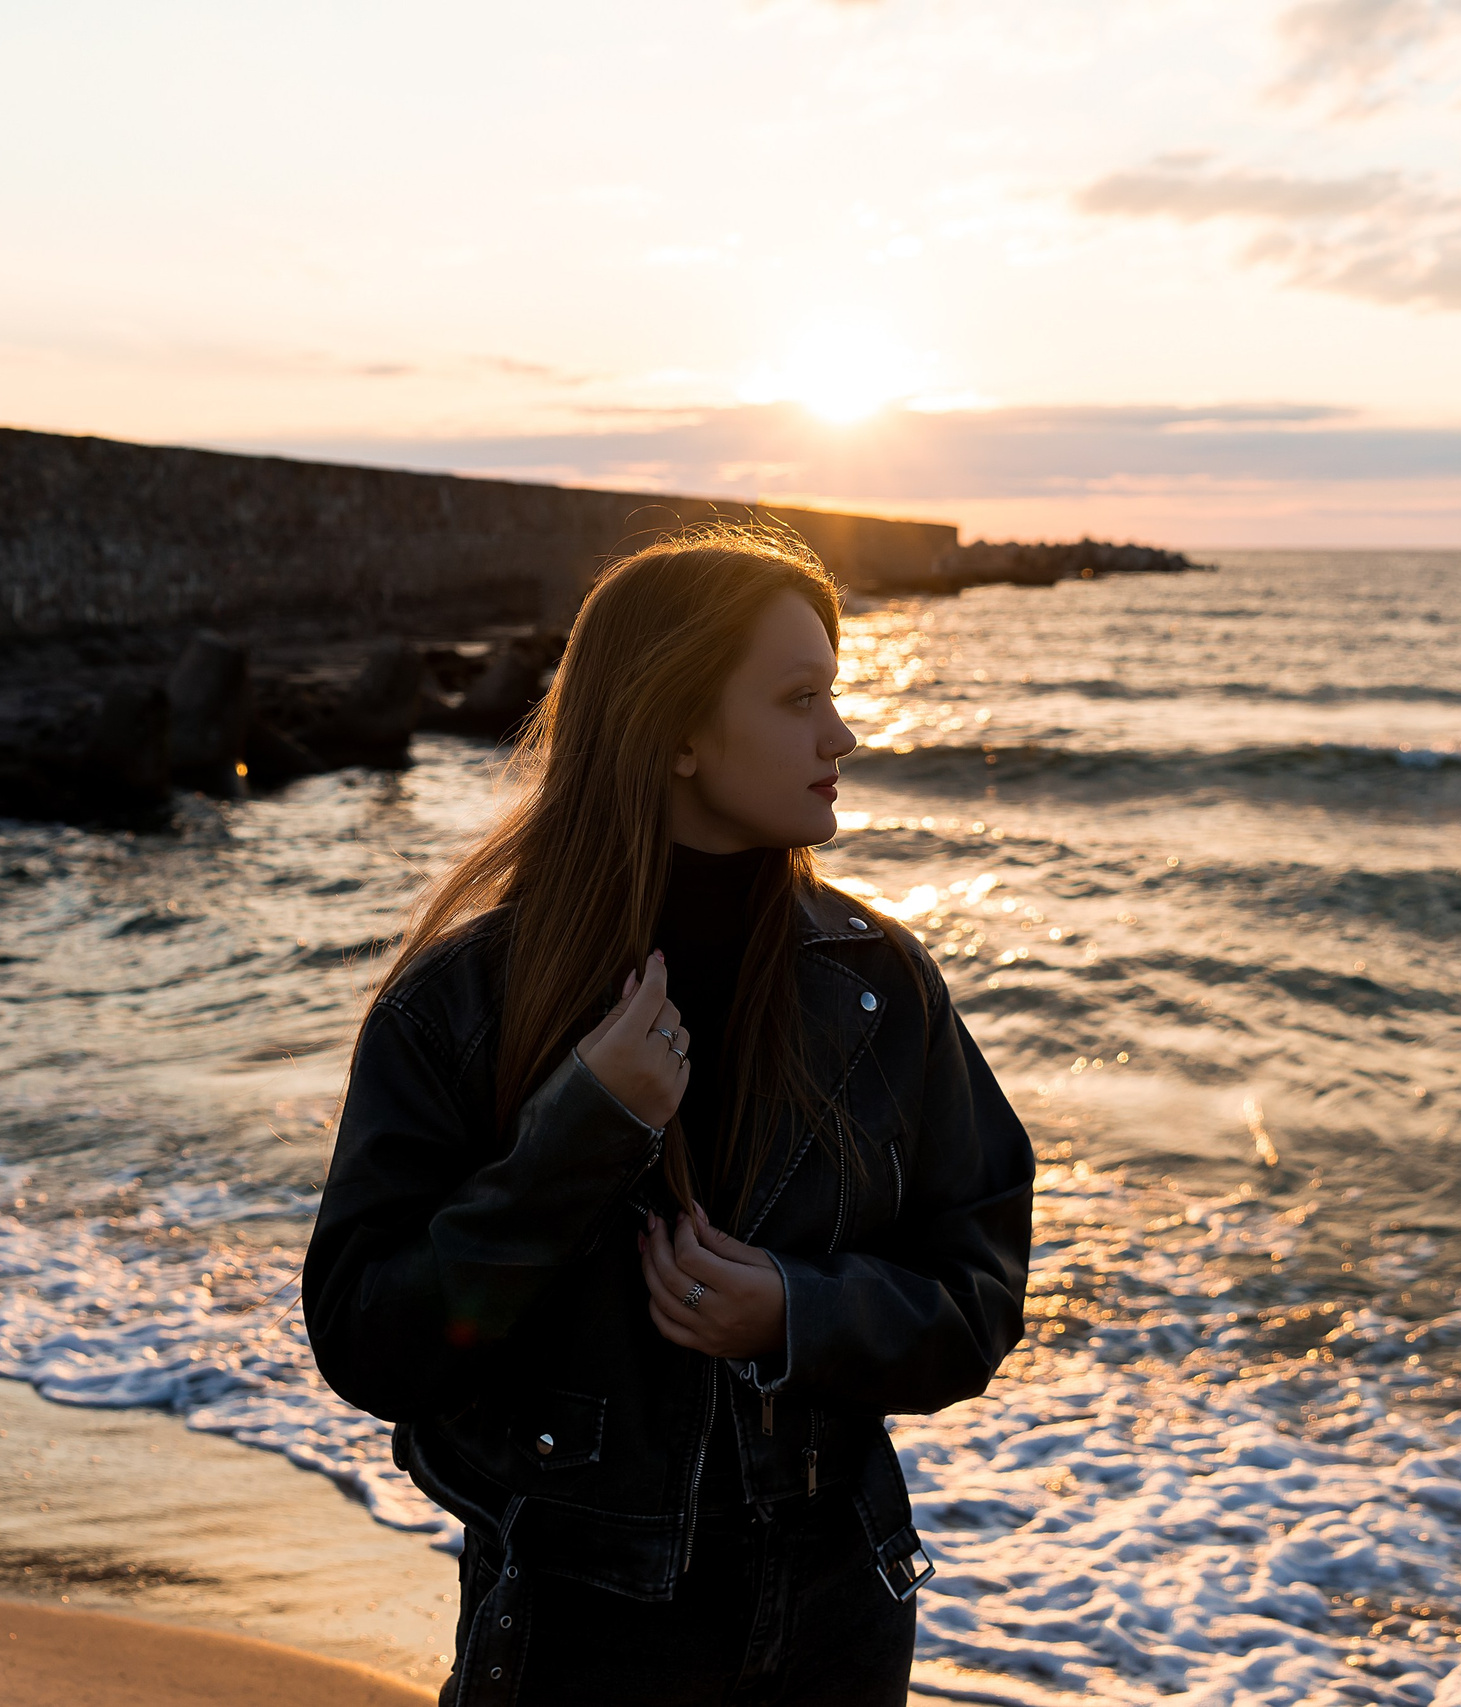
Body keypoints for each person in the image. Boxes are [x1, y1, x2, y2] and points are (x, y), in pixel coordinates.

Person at [304, 522, 1034, 1706]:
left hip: (836, 1626)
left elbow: (978, 1294)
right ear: (678, 731)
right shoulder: (465, 1008)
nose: (841, 734)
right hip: (579, 1637)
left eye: (833, 695)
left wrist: (795, 1311)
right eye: (801, 698)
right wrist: (583, 1131)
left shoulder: (880, 986)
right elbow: (372, 1342)